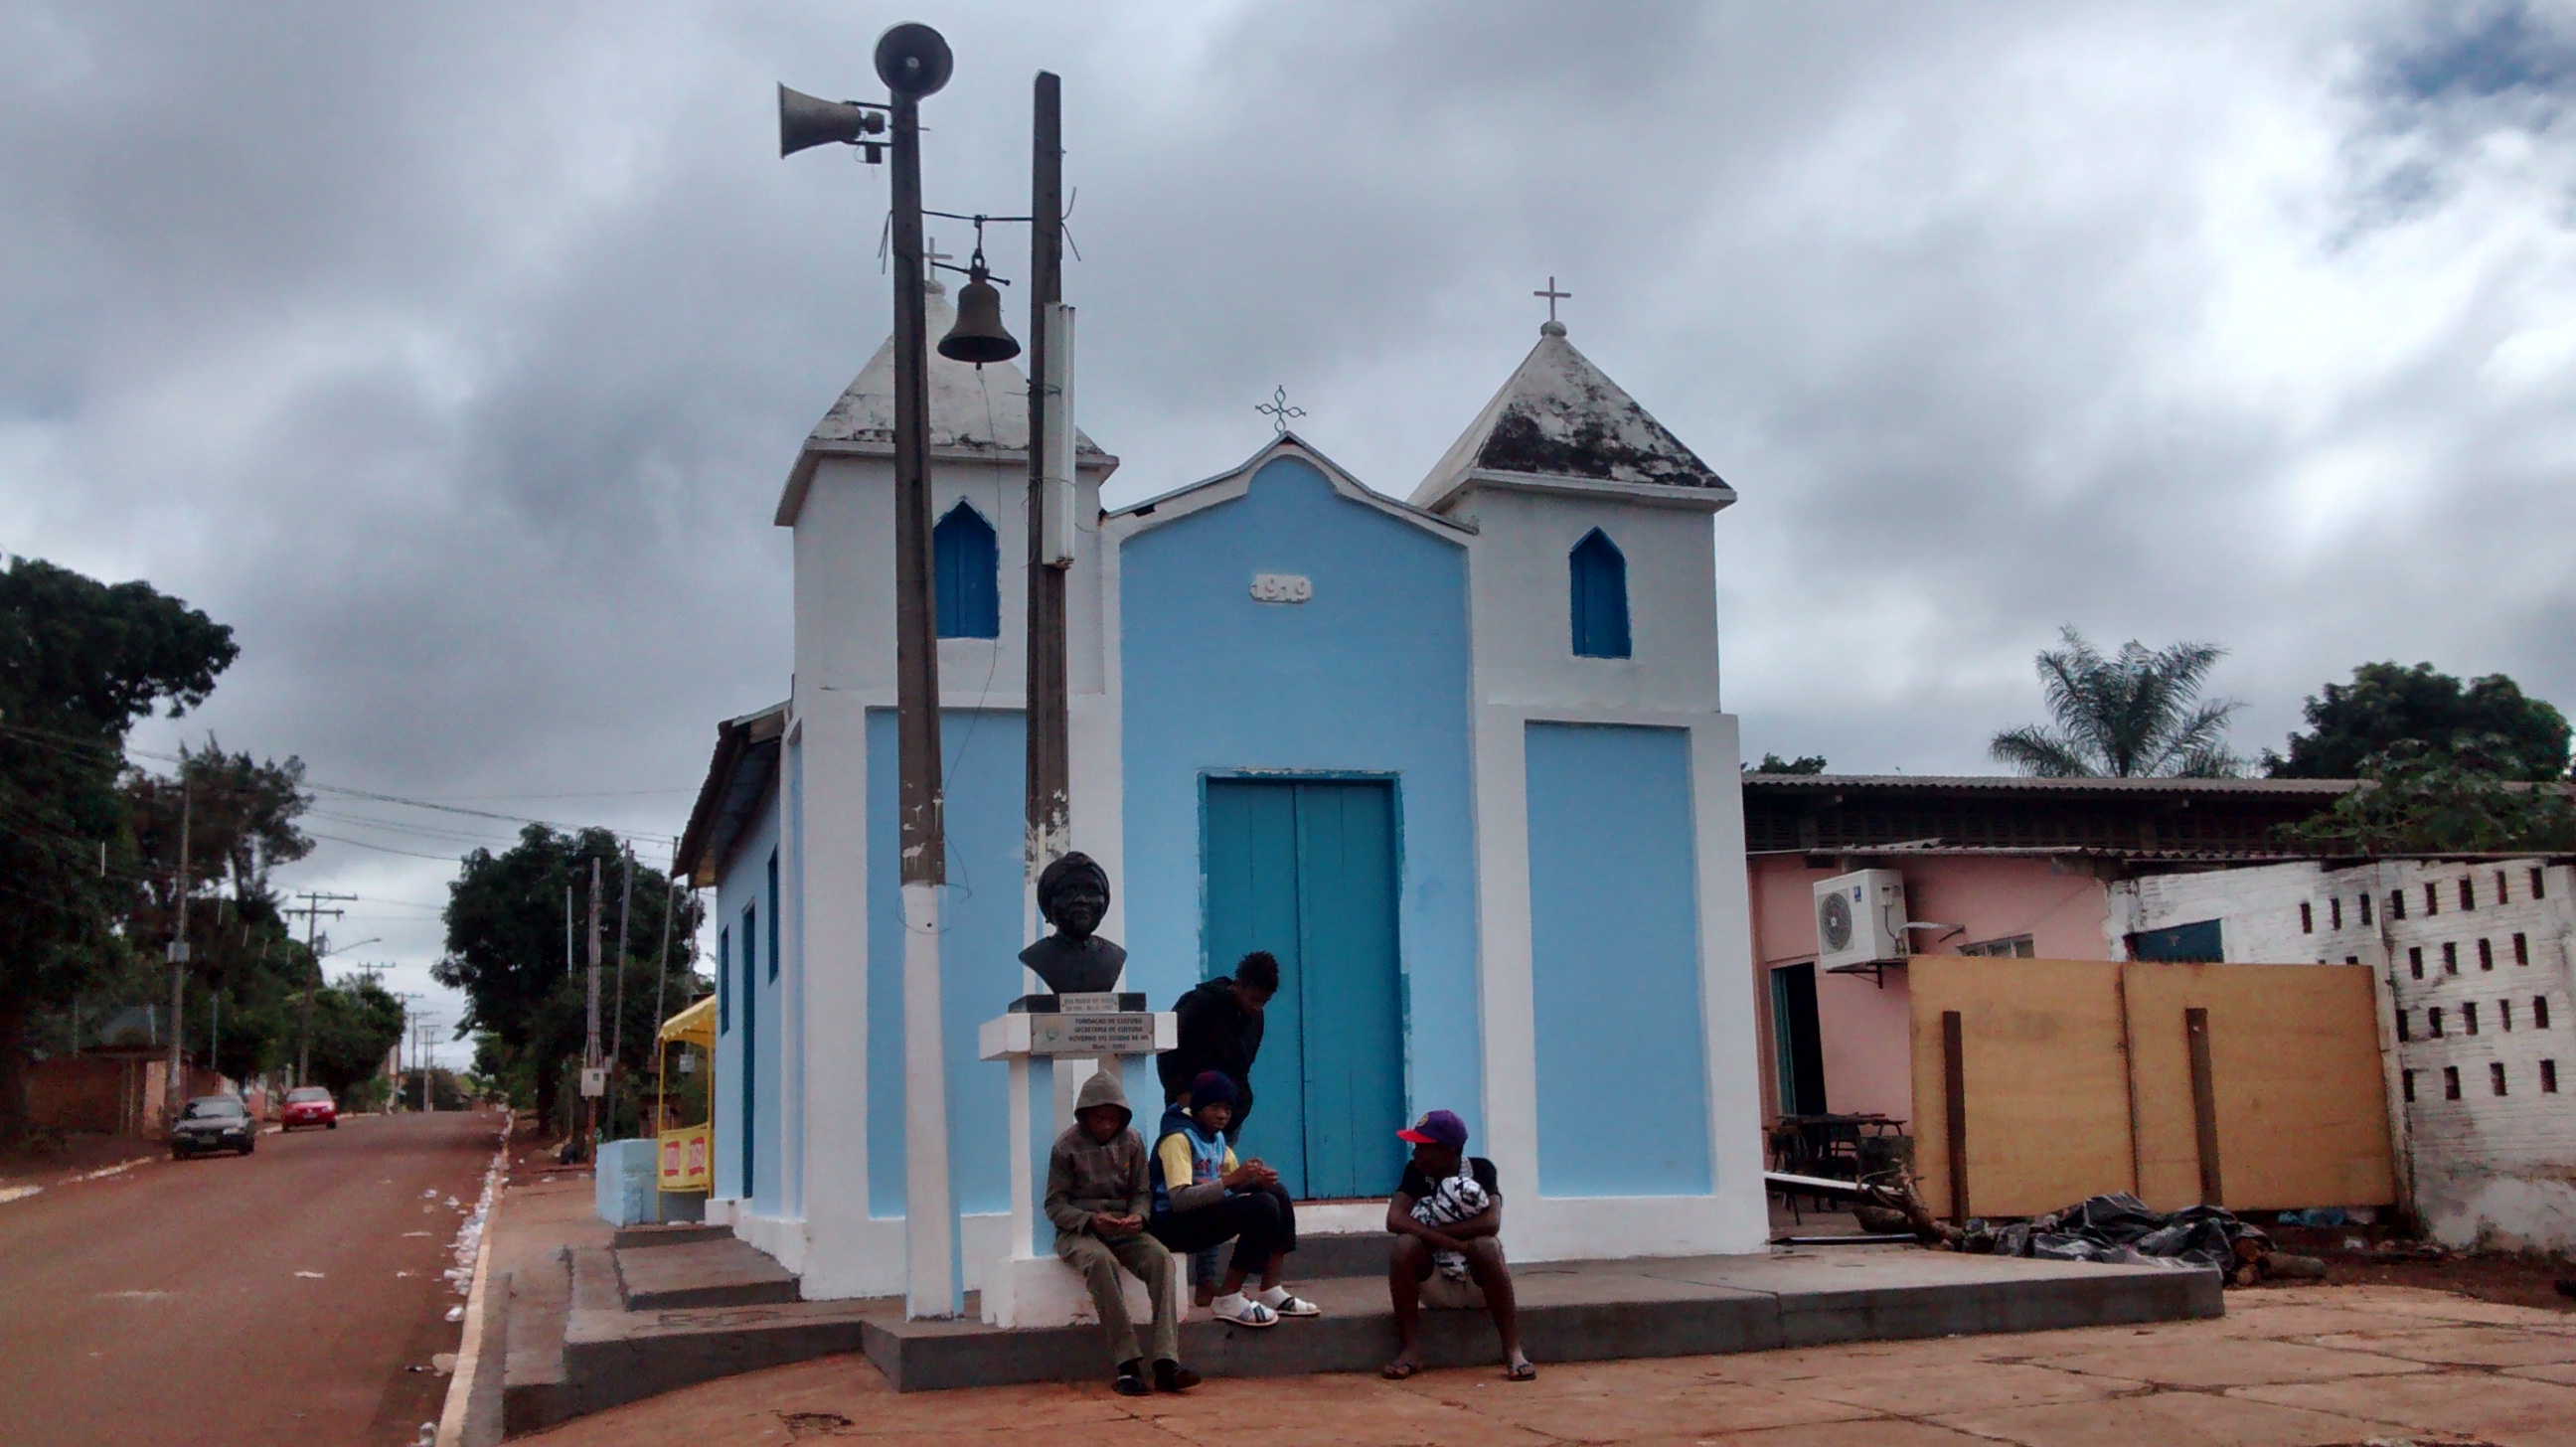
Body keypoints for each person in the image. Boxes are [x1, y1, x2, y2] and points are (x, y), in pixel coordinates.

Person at [1045, 1070, 1199, 1395]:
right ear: (1084, 1117)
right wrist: (1088, 1220)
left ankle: (1166, 1362)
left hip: (1123, 1225)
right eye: (1099, 1119)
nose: (1106, 1126)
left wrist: (1138, 1217)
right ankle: (1127, 1365)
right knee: (1101, 1264)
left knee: (1161, 1259)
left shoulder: (1133, 1141)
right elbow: (1055, 1205)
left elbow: (1142, 1192)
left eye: (1113, 1119)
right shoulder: (1065, 1147)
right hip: (1079, 1230)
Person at [1148, 1071, 1320, 1326]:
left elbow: (1233, 1182)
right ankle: (1228, 1297)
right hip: (1171, 1225)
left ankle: (1270, 1288)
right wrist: (1232, 1180)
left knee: (1275, 1194)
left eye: (1228, 1109)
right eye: (1214, 1107)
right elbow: (1179, 1199)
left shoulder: (1217, 1139)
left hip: (1199, 1217)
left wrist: (1255, 1179)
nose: (1222, 1115)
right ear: (1198, 1107)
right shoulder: (1178, 1138)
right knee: (1261, 1207)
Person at [1380, 1109, 1532, 1381]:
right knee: (1404, 1246)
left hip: (1476, 1284)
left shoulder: (1481, 1171)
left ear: (1446, 1151)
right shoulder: (1415, 1173)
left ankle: (1512, 1349)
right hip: (1435, 1281)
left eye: (1422, 1147)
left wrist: (1432, 1232)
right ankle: (1411, 1350)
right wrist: (1455, 1243)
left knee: (1487, 1247)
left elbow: (1490, 1223)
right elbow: (1395, 1219)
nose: (1414, 1153)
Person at [1160, 951, 1279, 1127]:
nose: (1257, 1007)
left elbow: (1242, 1067)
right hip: (1189, 1115)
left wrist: (1239, 1104)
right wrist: (1181, 1092)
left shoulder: (1256, 1018)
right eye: (1253, 999)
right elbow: (1167, 1047)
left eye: (1264, 1001)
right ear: (1237, 985)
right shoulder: (1199, 1002)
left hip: (1229, 1120)